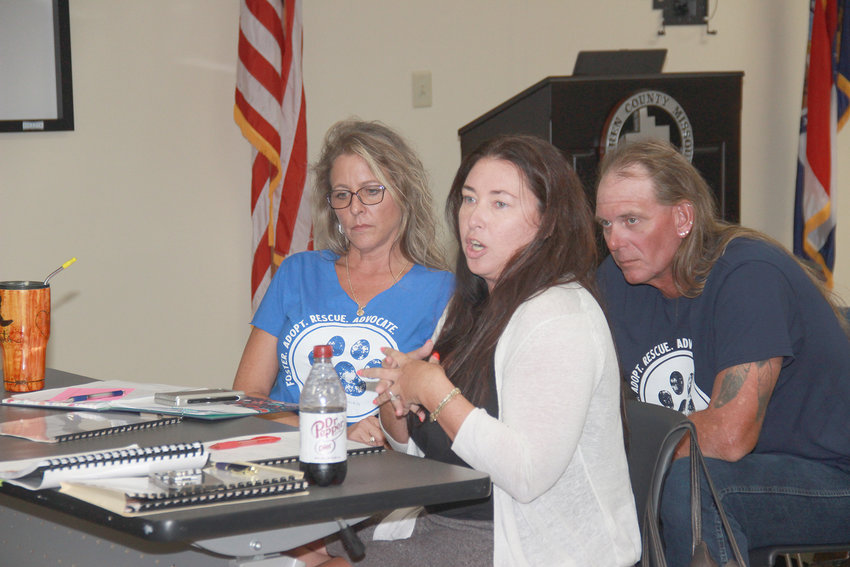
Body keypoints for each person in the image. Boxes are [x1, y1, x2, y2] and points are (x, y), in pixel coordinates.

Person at [331, 134, 641, 566]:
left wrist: (435, 391)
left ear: (547, 221)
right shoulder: (471, 302)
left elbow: (525, 475)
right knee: (300, 545)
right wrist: (397, 400)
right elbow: (429, 452)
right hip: (451, 520)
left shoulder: (559, 315)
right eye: (469, 199)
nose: (474, 218)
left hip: (524, 542)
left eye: (499, 203)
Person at [595, 138, 850, 566]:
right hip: (743, 471)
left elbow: (730, 436)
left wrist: (619, 449)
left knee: (687, 484)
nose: (615, 240)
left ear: (682, 217)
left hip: (832, 473)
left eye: (632, 220)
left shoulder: (749, 276)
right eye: (605, 224)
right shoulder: (615, 283)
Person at [233, 119, 453, 449]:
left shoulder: (443, 291)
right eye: (342, 195)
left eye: (371, 191)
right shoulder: (298, 272)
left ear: (403, 193)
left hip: (384, 478)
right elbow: (248, 398)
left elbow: (442, 416)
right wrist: (331, 432)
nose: (355, 208)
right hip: (286, 461)